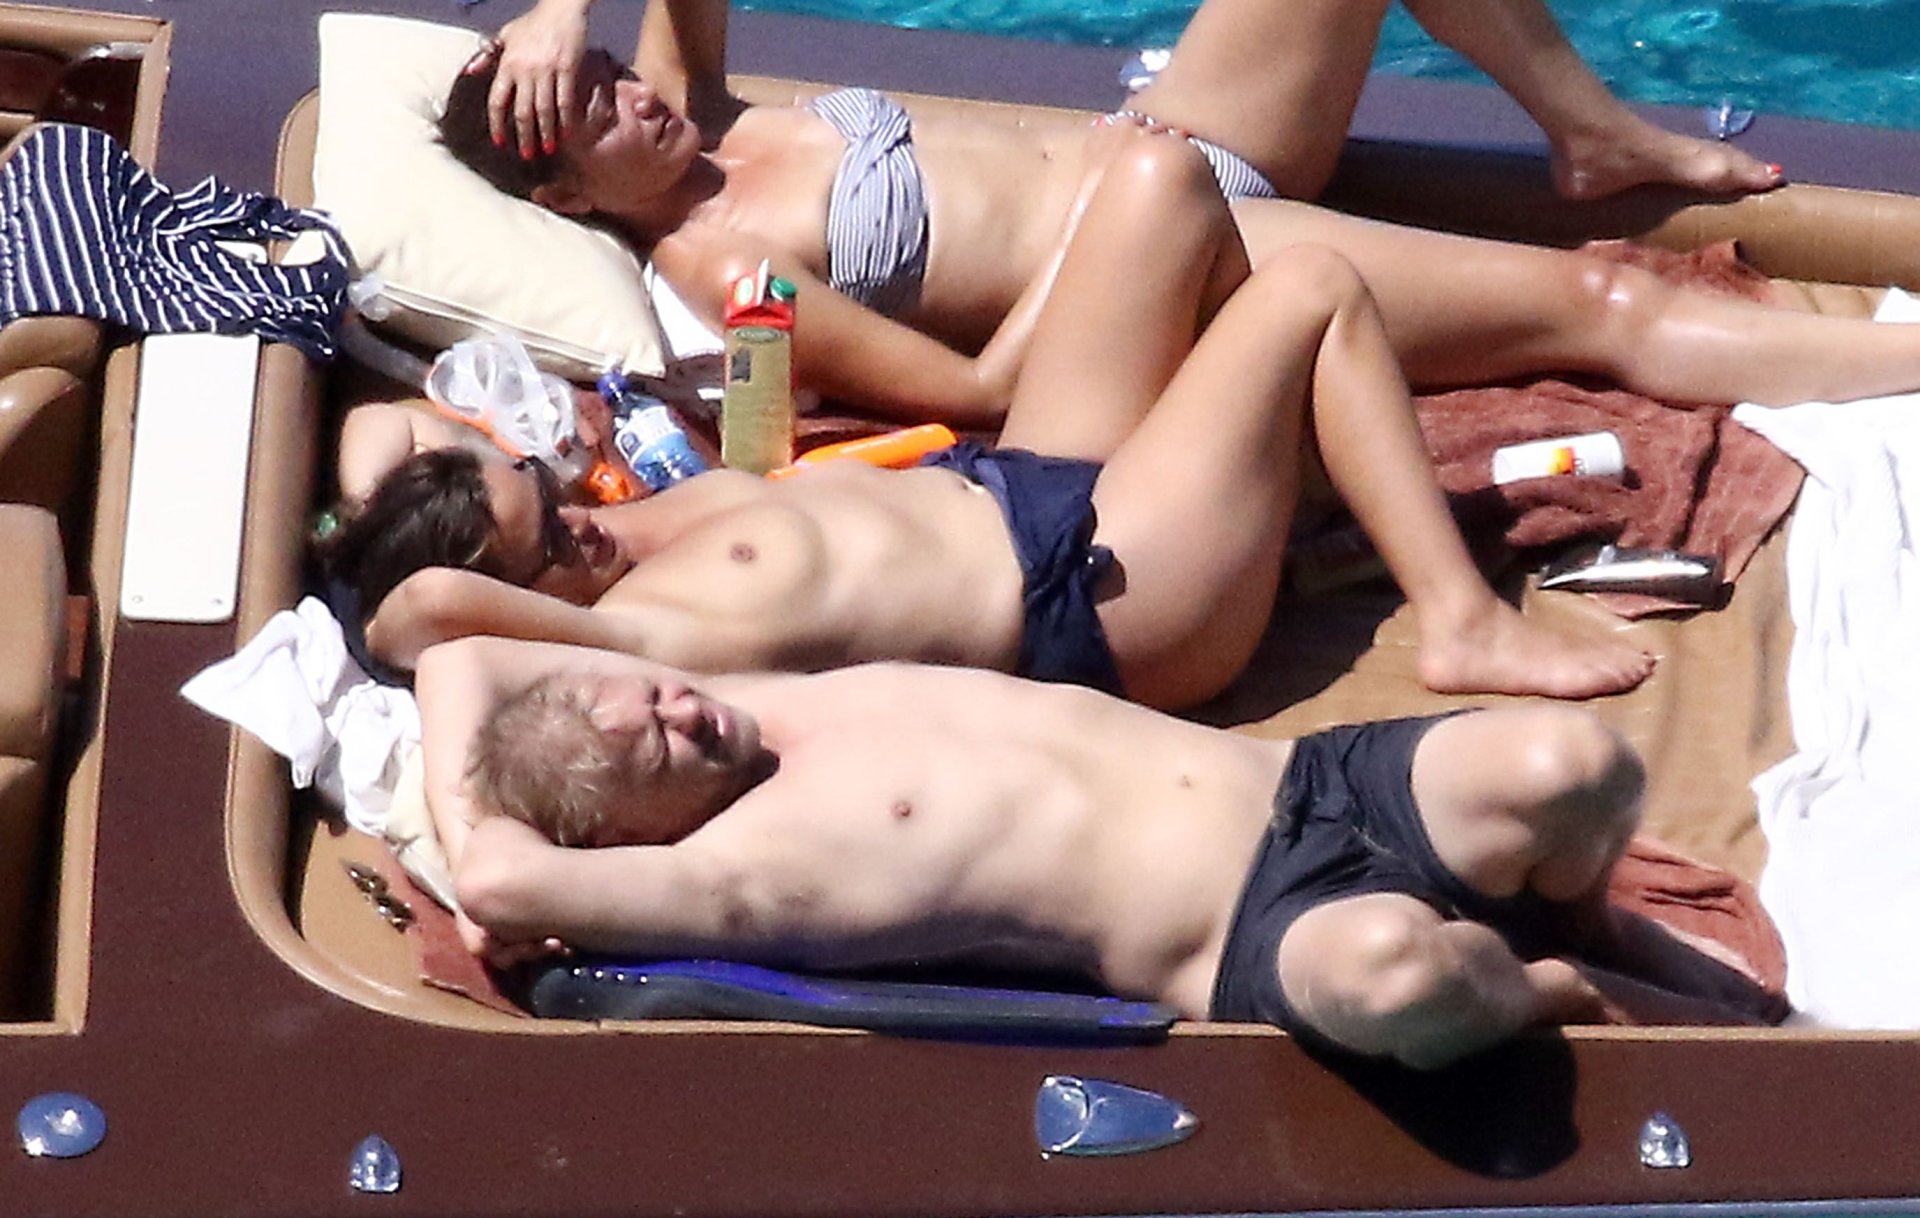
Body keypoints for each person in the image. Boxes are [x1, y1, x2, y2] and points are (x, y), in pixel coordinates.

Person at [326, 135, 1657, 711]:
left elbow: (393, 426)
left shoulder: (620, 528)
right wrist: (405, 572)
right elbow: (407, 616)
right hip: (1105, 596)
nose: (582, 528)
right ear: (509, 602)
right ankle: (1462, 624)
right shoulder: (629, 632)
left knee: (1159, 180)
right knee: (1311, 290)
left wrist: (392, 509)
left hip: (1016, 476)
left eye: (553, 502)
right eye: (550, 547)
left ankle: (1281, 465)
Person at [416, 635, 1788, 1069]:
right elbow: (496, 880)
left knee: (1575, 762)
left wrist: (492, 780)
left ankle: (1583, 918)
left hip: (1314, 782)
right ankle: (1552, 987)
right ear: (636, 837)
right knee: (1395, 976)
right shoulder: (728, 875)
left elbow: (458, 655)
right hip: (1252, 935)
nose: (679, 707)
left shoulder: (761, 708)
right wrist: (491, 873)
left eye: (650, 692)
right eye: (657, 747)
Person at [435, 0, 1784, 428]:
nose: (632, 97)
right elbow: (972, 392)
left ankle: (1593, 136)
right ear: (566, 197)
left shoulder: (692, 106)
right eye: (595, 113)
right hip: (1178, 252)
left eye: (607, 71)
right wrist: (1116, 238)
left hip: (1183, 138)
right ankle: (1882, 365)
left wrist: (561, 12)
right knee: (1608, 303)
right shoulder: (727, 274)